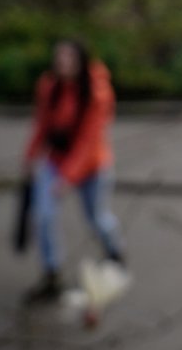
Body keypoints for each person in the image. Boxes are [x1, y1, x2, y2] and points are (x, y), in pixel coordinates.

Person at [21, 40, 125, 303]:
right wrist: (30, 156)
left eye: (68, 58)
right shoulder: (49, 86)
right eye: (59, 58)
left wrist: (67, 177)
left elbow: (89, 140)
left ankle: (114, 252)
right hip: (56, 161)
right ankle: (52, 273)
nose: (62, 63)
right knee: (44, 216)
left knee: (97, 218)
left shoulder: (96, 92)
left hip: (92, 166)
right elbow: (43, 123)